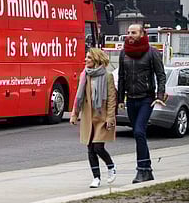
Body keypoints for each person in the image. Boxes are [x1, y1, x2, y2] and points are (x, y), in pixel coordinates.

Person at [117, 24, 166, 183]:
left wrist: (159, 95)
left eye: (134, 32)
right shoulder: (124, 53)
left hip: (146, 98)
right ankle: (147, 169)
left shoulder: (151, 53)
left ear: (142, 33)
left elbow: (160, 75)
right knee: (139, 134)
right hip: (130, 99)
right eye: (129, 32)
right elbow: (122, 77)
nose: (130, 35)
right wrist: (120, 100)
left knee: (139, 132)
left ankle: (142, 170)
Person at [70, 48, 117, 188]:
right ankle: (96, 177)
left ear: (96, 59)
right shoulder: (85, 75)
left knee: (98, 147)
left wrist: (110, 118)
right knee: (90, 148)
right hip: (88, 117)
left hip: (101, 117)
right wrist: (74, 114)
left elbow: (111, 99)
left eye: (89, 58)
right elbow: (79, 97)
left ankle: (111, 167)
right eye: (86, 57)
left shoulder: (107, 76)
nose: (86, 60)